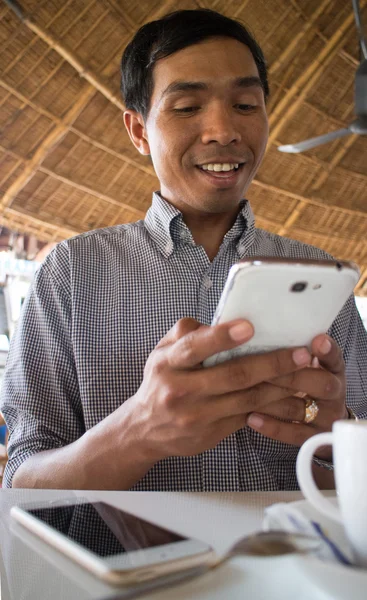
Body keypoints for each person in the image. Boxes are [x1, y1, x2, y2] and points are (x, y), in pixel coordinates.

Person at [1, 9, 366, 491]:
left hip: (290, 564)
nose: (222, 131)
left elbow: (354, 471)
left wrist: (336, 445)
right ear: (138, 131)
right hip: (121, 566)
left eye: (245, 104)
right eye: (187, 107)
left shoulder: (321, 275)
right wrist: (140, 430)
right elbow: (21, 485)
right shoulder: (73, 270)